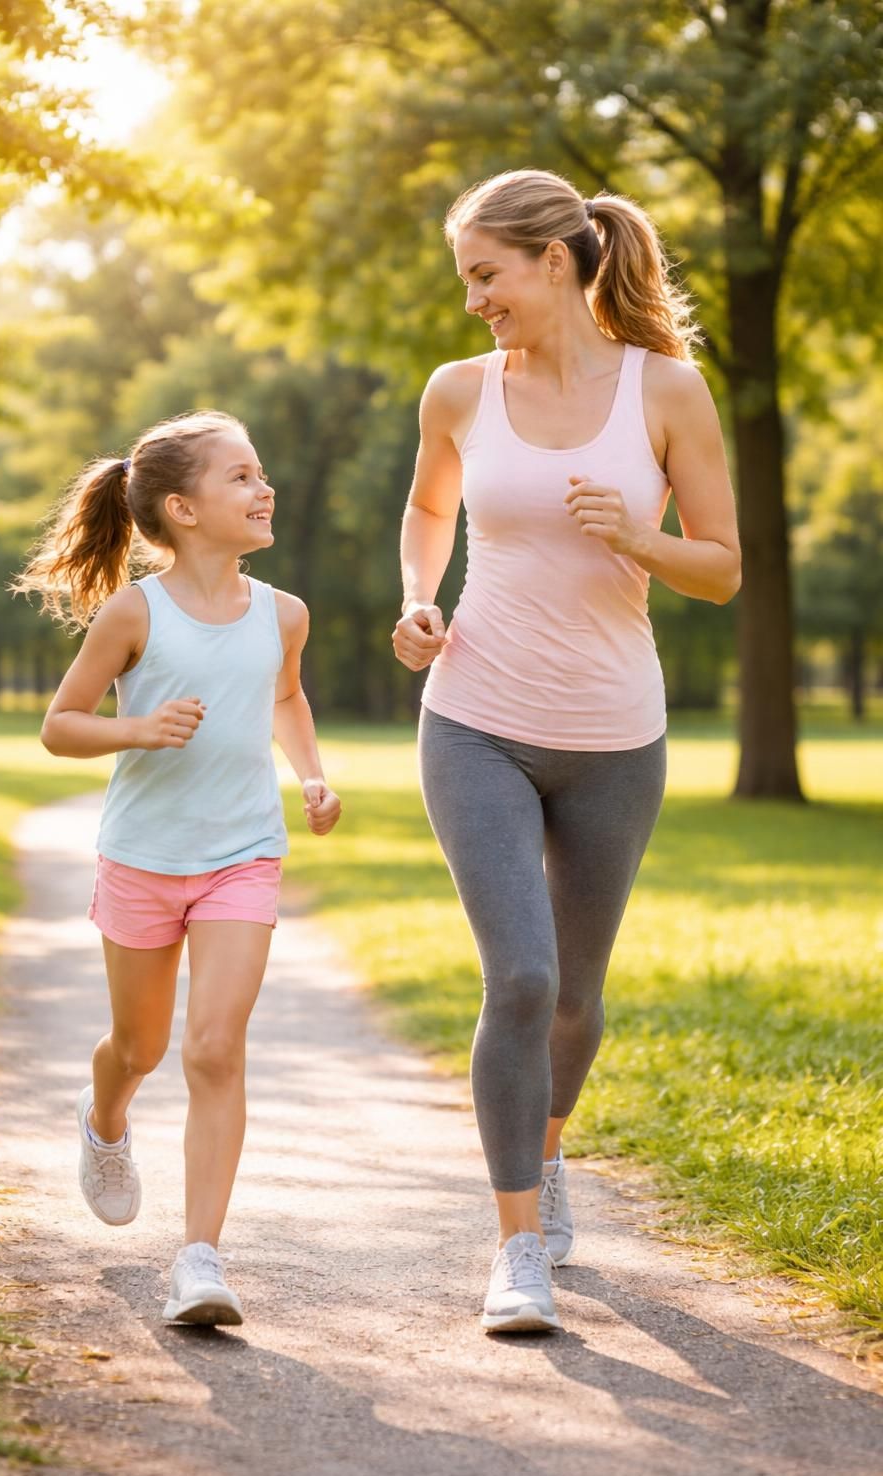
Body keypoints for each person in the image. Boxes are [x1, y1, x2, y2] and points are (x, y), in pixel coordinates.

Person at [392, 170, 740, 1334]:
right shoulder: (458, 391)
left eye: (485, 275)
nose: (474, 300)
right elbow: (429, 509)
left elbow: (724, 565)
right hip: (475, 714)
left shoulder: (668, 391)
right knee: (523, 979)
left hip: (612, 735)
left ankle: (544, 1159)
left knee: (578, 1000)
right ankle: (515, 1249)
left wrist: (640, 535)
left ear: (554, 259)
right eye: (465, 279)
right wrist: (416, 599)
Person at [15, 410, 341, 1328]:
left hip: (244, 853)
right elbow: (61, 724)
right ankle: (105, 1119)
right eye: (240, 477)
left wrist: (310, 776)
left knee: (213, 1048)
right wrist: (137, 729)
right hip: (143, 857)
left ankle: (199, 1258)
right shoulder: (134, 611)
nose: (263, 488)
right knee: (142, 1048)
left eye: (261, 471)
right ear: (182, 509)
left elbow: (286, 698)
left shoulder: (285, 613)